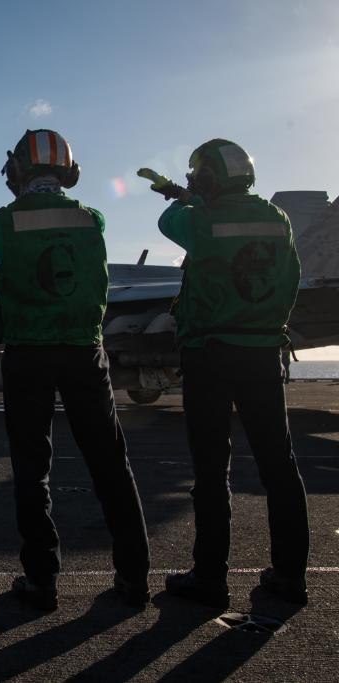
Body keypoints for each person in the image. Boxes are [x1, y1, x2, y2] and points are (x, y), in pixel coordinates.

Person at [0, 129, 151, 610]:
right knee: (111, 465)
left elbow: (1, 234)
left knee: (32, 470)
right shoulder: (92, 218)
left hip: (28, 354)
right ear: (69, 171)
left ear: (18, 172)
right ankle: (134, 579)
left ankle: (41, 580)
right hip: (83, 352)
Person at [148, 139, 308, 607]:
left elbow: (167, 221)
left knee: (212, 469)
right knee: (279, 464)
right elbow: (291, 277)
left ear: (209, 179)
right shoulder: (277, 221)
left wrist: (185, 196)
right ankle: (290, 575)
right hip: (262, 351)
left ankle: (211, 579)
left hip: (210, 352)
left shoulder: (201, 218)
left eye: (198, 176)